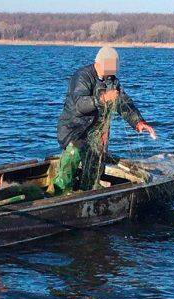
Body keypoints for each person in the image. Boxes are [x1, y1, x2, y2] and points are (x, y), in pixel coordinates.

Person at [52, 46, 156, 195]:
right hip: (74, 129)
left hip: (96, 132)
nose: (112, 71)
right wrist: (103, 98)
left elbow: (124, 104)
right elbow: (80, 105)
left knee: (95, 161)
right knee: (73, 154)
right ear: (99, 63)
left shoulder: (112, 81)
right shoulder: (82, 76)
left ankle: (87, 191)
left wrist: (138, 122)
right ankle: (60, 193)